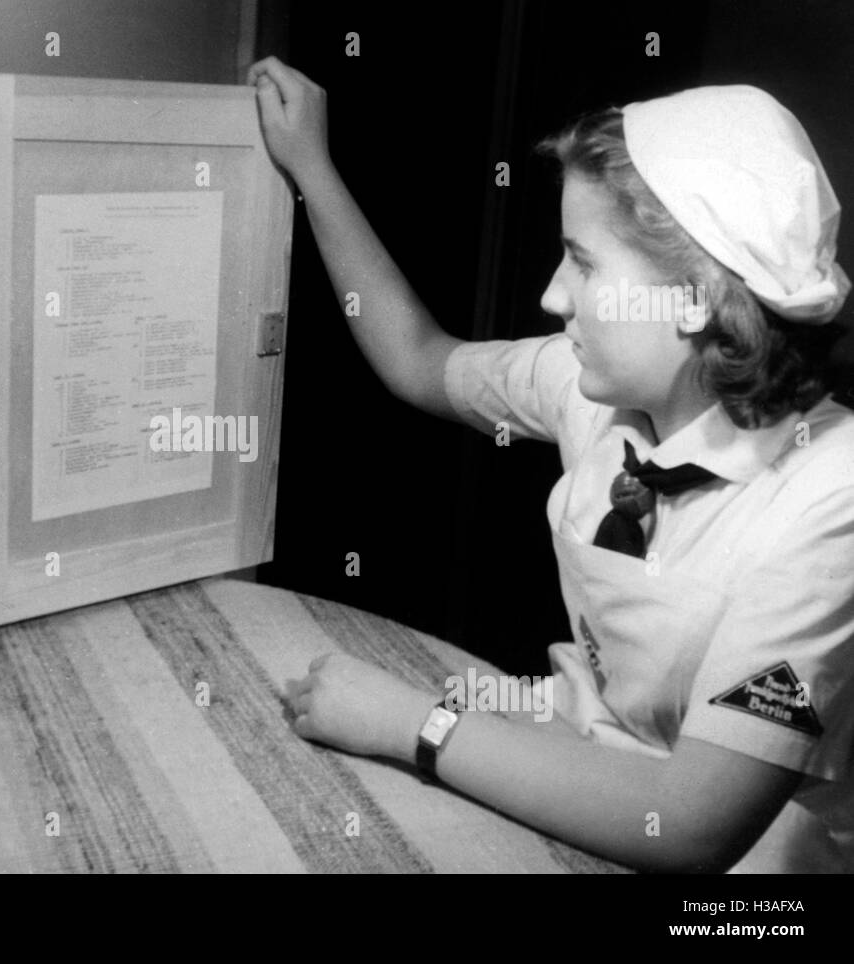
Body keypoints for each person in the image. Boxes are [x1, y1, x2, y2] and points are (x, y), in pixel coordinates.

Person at [249, 56, 854, 873]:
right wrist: (311, 169)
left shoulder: (832, 497)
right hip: (578, 760)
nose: (552, 295)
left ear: (696, 297)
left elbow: (689, 824)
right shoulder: (591, 384)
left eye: (585, 261)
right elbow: (419, 360)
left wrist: (412, 723)